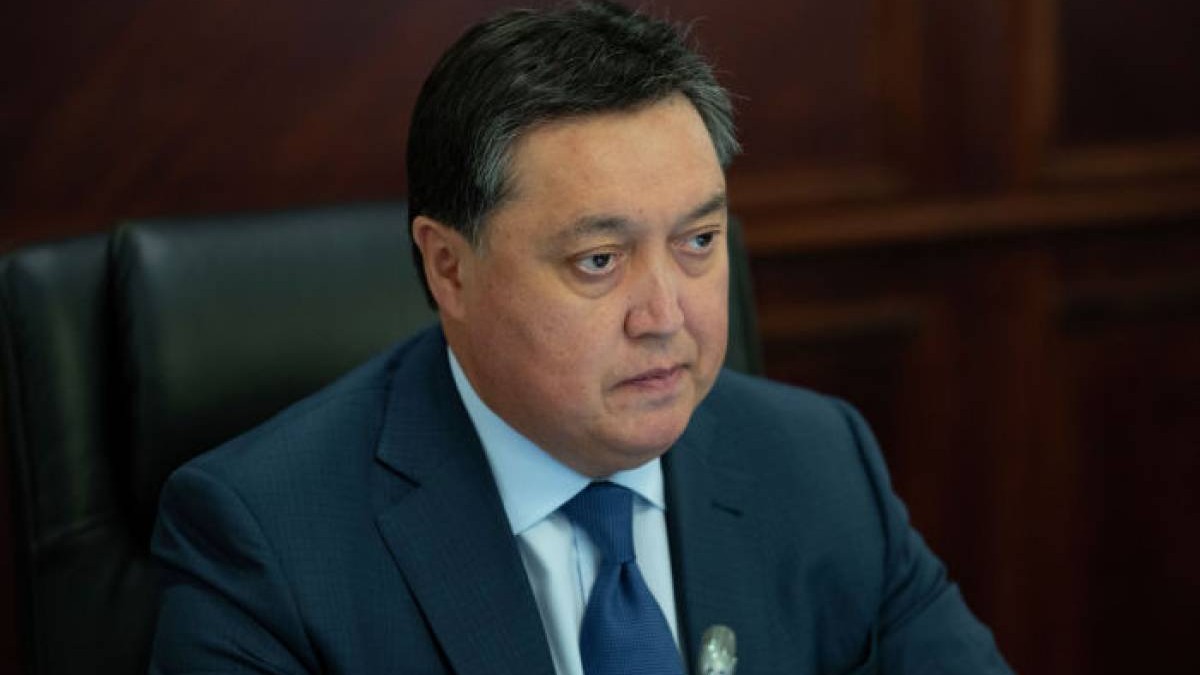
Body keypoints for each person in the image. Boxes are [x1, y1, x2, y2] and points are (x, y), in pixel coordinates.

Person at [149, 2, 1013, 674]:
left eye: (698, 241)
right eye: (599, 260)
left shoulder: (819, 464)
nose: (665, 315)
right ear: (449, 268)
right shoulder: (267, 544)